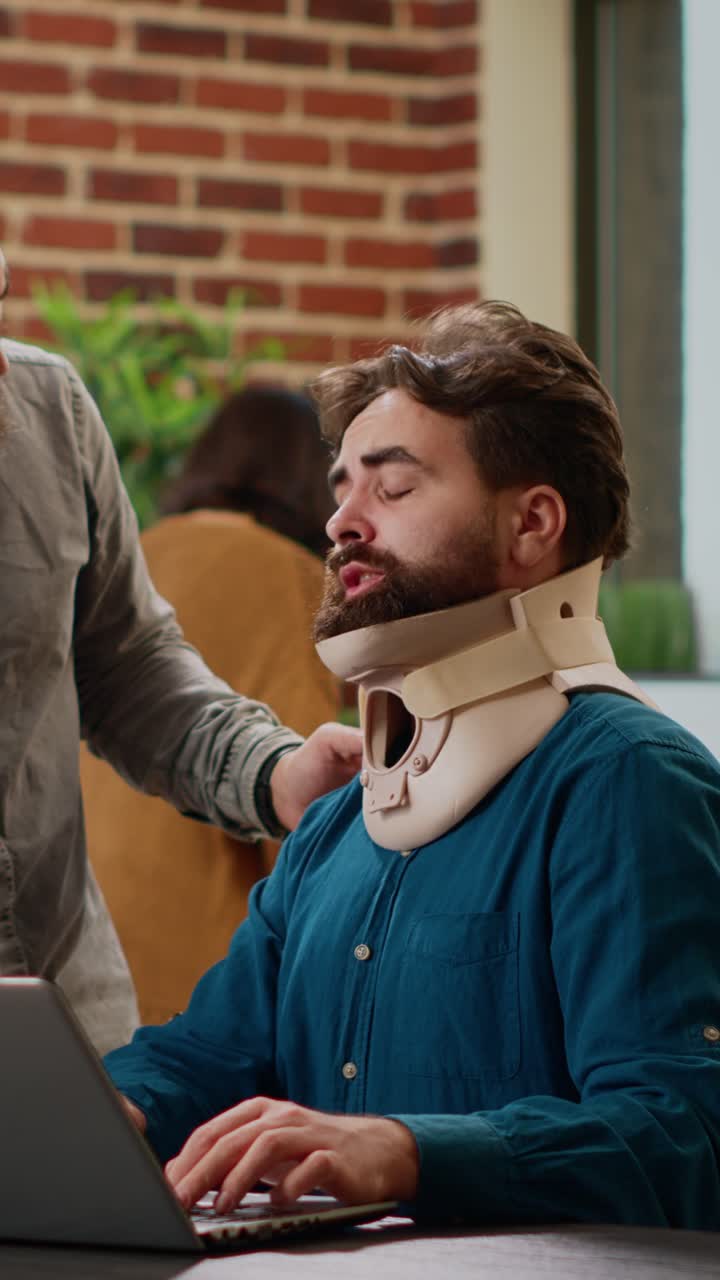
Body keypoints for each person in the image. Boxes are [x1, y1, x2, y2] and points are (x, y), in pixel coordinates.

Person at [105, 301, 720, 1230]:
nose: (341, 522)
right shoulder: (335, 825)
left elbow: (686, 1133)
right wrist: (102, 1110)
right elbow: (205, 1056)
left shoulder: (629, 783)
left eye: (392, 489)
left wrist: (405, 1151)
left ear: (532, 525)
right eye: (341, 488)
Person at [0, 249, 360, 1054]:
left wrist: (275, 771)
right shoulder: (285, 578)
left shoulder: (52, 409)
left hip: (69, 1010)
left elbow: (128, 667)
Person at [82, 386, 342, 1025]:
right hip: (198, 973)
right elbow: (306, 809)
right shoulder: (291, 578)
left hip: (81, 946)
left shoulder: (137, 551)